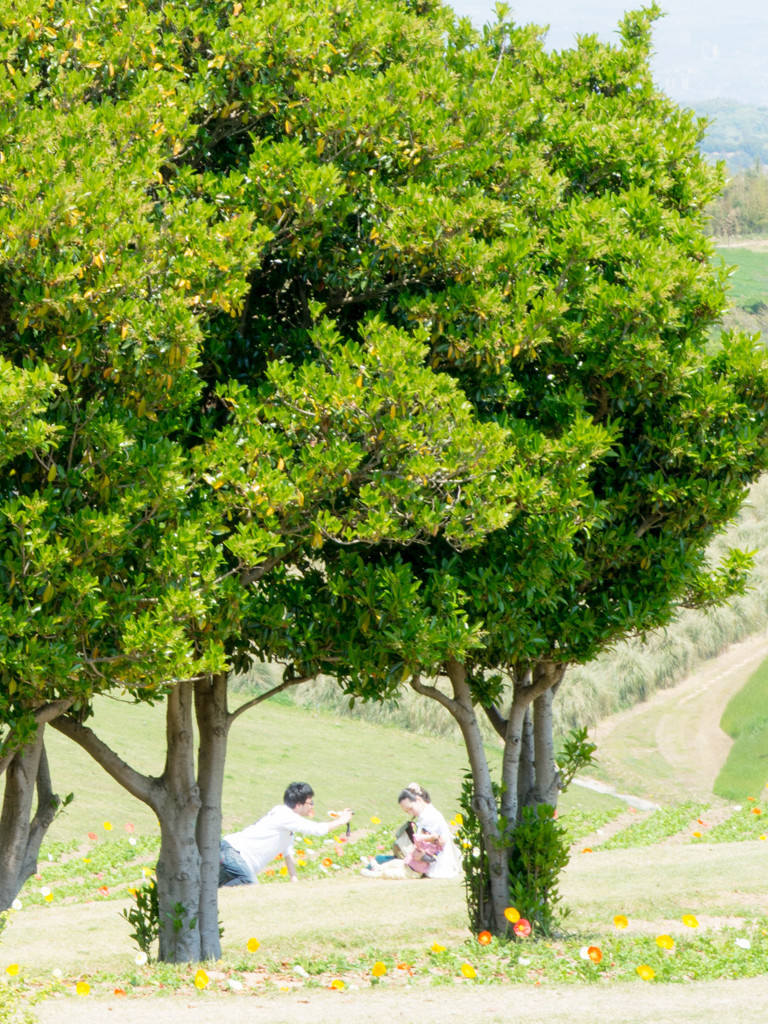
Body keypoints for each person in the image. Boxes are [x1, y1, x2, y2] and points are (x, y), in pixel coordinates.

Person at [218, 781, 353, 886]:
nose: (312, 806)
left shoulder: (288, 825)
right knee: (248, 883)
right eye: (310, 802)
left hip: (232, 853)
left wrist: (293, 878)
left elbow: (288, 853)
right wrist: (341, 820)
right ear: (299, 805)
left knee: (209, 888)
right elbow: (318, 830)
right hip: (235, 852)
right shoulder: (286, 815)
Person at [361, 782, 461, 879]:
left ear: (418, 800)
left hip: (432, 866)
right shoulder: (426, 815)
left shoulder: (430, 818)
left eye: (410, 809)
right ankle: (376, 866)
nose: (410, 813)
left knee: (388, 864)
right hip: (419, 862)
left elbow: (434, 847)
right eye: (407, 811)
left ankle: (374, 870)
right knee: (389, 861)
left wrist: (420, 856)